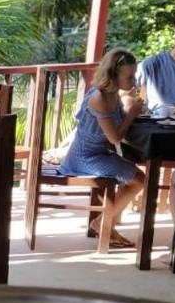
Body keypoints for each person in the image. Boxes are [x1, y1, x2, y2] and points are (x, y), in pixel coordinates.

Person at [56, 49, 147, 249]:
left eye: (134, 75)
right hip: (84, 157)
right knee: (139, 180)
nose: (133, 80)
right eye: (129, 76)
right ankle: (102, 223)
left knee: (136, 177)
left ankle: (106, 225)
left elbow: (117, 125)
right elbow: (114, 137)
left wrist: (132, 109)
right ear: (113, 75)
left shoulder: (113, 94)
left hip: (99, 153)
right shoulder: (98, 97)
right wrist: (131, 114)